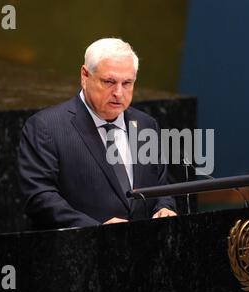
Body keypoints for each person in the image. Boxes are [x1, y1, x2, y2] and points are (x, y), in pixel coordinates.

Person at [18, 38, 177, 229]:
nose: (118, 92)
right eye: (109, 82)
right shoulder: (46, 126)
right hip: (79, 251)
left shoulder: (145, 125)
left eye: (127, 83)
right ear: (85, 76)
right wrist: (95, 229)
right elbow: (39, 197)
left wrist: (165, 207)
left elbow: (162, 186)